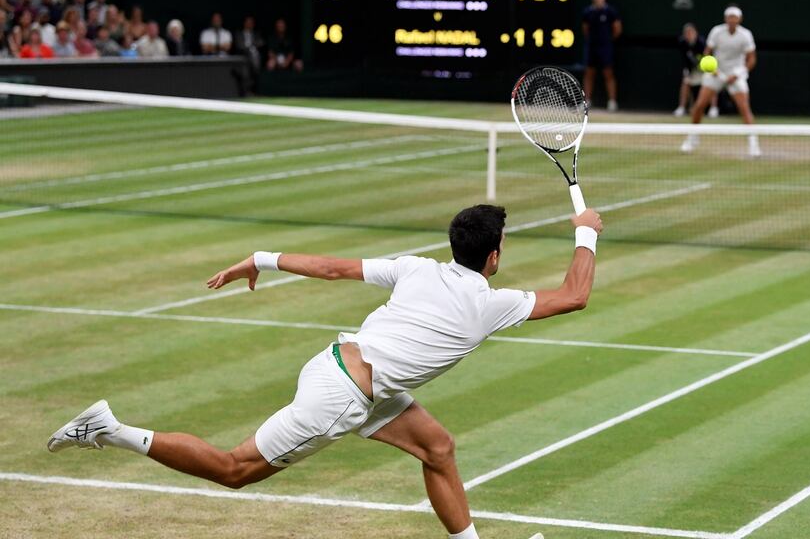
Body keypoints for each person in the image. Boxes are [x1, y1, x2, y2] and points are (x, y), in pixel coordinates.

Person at [48, 205, 602, 539]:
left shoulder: (416, 268)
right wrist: (586, 231)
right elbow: (575, 295)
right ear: (494, 257)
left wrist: (261, 258)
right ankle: (110, 429)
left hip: (346, 367)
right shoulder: (490, 305)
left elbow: (334, 268)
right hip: (342, 397)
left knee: (437, 448)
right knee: (234, 469)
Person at [681, 6, 761, 157]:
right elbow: (707, 53)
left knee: (744, 108)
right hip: (716, 73)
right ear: (725, 19)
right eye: (729, 17)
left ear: (739, 19)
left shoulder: (746, 35)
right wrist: (714, 70)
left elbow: (751, 59)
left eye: (734, 17)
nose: (732, 20)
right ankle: (693, 137)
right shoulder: (717, 32)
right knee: (699, 106)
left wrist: (738, 74)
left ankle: (753, 143)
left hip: (736, 73)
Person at [581, 0, 622, 111]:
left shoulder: (610, 11)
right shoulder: (588, 12)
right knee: (589, 73)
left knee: (608, 73)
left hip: (605, 47)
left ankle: (612, 102)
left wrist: (607, 40)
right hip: (592, 46)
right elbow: (585, 29)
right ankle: (586, 101)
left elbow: (617, 29)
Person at [674, 22, 716, 118]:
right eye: (686, 33)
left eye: (691, 32)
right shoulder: (682, 42)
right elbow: (684, 59)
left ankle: (714, 108)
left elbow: (707, 56)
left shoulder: (702, 42)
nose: (689, 35)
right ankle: (682, 107)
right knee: (685, 82)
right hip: (693, 68)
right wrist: (688, 71)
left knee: (712, 84)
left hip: (705, 68)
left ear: (695, 33)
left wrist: (707, 69)